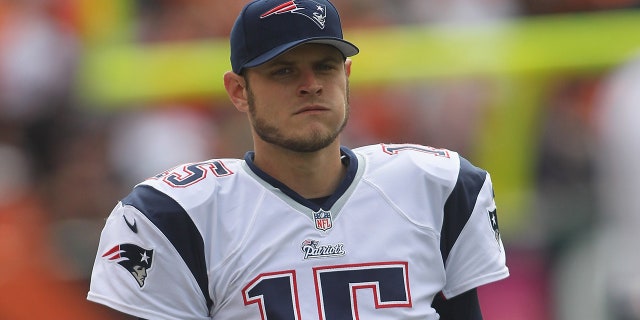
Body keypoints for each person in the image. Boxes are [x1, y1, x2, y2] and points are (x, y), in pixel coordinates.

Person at [87, 0, 509, 319]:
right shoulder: (178, 216)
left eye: (324, 67)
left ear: (346, 76)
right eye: (284, 71)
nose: (311, 86)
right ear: (238, 91)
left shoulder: (438, 187)